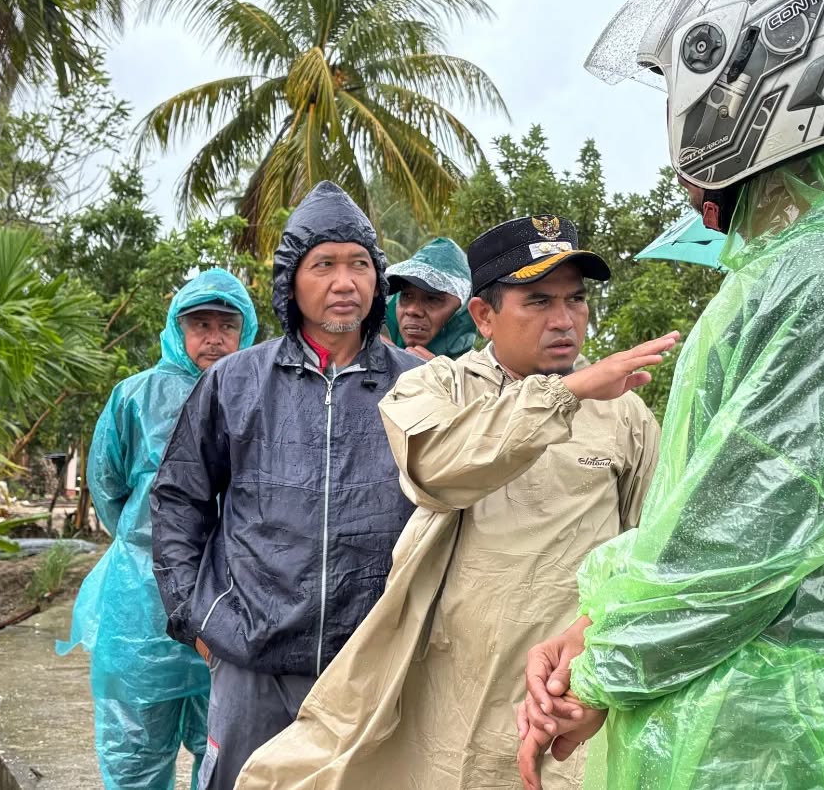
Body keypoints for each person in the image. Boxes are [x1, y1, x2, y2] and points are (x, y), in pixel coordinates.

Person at [517, 0, 824, 788]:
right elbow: (708, 505)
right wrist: (598, 626)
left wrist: (604, 670)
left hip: (788, 739)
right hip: (751, 725)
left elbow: (750, 537)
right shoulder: (792, 271)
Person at [234, 215, 669, 790]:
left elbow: (652, 549)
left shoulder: (626, 414)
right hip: (451, 686)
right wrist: (565, 395)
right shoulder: (434, 387)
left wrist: (597, 656)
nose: (565, 320)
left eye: (576, 300)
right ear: (484, 316)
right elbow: (438, 468)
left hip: (568, 688)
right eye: (538, 301)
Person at [150, 182, 422, 790]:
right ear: (290, 281)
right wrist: (195, 617)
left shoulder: (420, 385)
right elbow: (178, 501)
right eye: (323, 264)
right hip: (252, 655)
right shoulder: (236, 381)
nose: (344, 282)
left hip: (375, 661)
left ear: (377, 279)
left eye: (359, 264)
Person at [58, 269, 258, 790]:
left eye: (227, 325)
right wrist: (148, 542)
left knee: (225, 752)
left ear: (247, 329)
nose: (214, 338)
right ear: (177, 329)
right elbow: (109, 487)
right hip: (142, 605)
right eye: (200, 324)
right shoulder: (135, 397)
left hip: (233, 602)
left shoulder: (262, 394)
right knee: (136, 754)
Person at [383, 237, 477, 360]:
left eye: (432, 299)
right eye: (407, 296)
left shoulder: (478, 374)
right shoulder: (372, 360)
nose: (412, 310)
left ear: (462, 311)